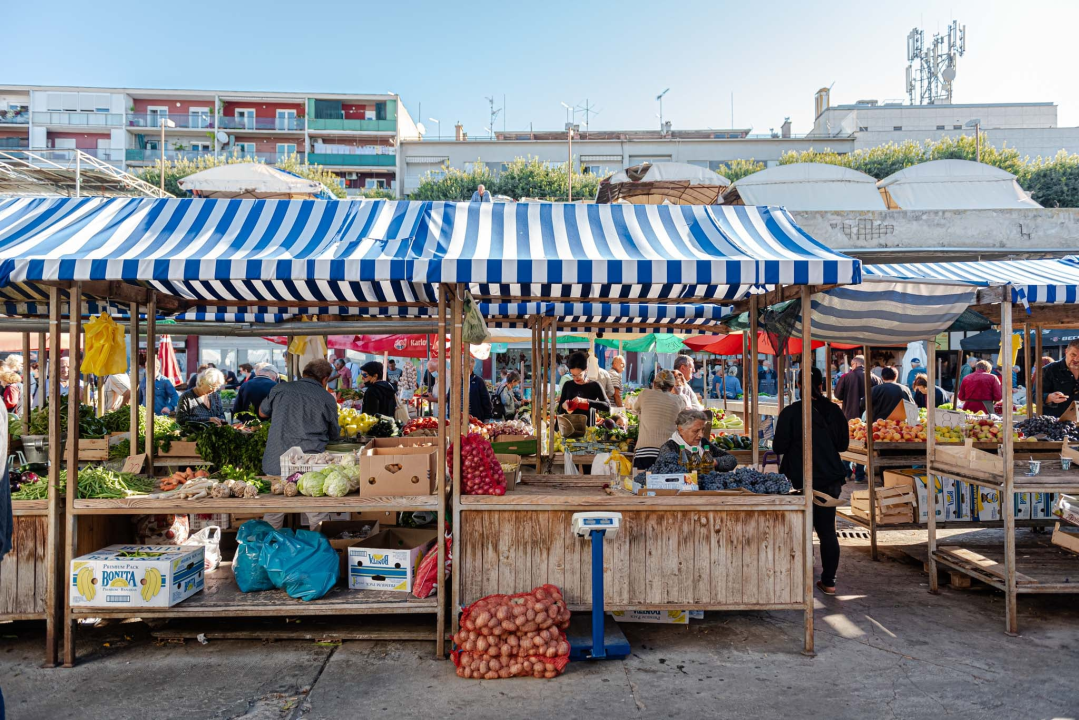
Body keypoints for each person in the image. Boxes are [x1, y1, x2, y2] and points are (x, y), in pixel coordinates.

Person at [772, 366, 849, 596]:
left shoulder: (791, 413)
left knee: (798, 530)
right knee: (827, 531)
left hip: (798, 479)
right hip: (830, 478)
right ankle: (829, 582)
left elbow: (778, 447)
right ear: (822, 385)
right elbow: (843, 445)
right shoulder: (834, 411)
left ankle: (797, 578)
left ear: (798, 386)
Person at [259, 359, 340, 530]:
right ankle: (319, 544)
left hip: (276, 460)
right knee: (317, 514)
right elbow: (334, 433)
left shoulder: (280, 388)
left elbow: (262, 413)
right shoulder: (326, 398)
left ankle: (269, 545)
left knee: (274, 511)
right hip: (308, 463)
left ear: (304, 373)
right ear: (325, 379)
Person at [633, 370, 694, 471]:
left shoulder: (644, 394)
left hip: (644, 453)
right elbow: (687, 413)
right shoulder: (678, 400)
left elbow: (635, 408)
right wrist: (678, 394)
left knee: (642, 480)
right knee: (667, 481)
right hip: (668, 453)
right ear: (672, 386)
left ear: (654, 383)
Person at [834, 355, 879, 482]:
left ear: (854, 364)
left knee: (848, 444)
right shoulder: (874, 378)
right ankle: (859, 474)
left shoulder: (846, 377)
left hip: (849, 415)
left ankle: (846, 472)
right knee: (863, 446)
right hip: (868, 417)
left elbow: (838, 395)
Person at [651, 408, 737, 472]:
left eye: (703, 430)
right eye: (696, 431)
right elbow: (666, 472)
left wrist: (714, 462)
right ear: (681, 430)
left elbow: (731, 459)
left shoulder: (703, 443)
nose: (701, 435)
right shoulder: (669, 448)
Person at [558, 352, 610, 417]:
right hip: (570, 422)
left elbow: (607, 406)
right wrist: (563, 406)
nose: (576, 378)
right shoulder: (568, 385)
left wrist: (586, 401)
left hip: (588, 423)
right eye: (573, 375)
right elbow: (559, 410)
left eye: (579, 375)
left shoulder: (595, 385)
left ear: (586, 370)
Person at [1041, 340, 1079, 418]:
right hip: (1056, 421)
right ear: (1066, 351)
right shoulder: (1049, 370)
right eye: (1073, 355)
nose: (1076, 359)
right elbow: (1034, 396)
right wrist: (1049, 397)